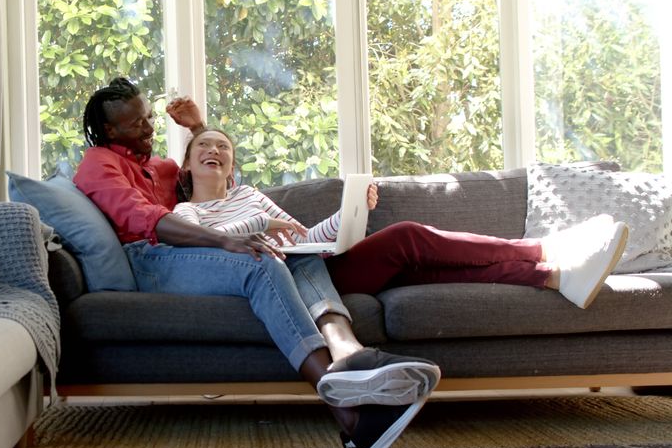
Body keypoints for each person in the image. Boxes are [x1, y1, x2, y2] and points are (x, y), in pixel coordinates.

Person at [73, 77, 442, 448]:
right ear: (109, 130)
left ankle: (350, 359)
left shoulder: (160, 167)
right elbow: (147, 219)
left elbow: (209, 167)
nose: (149, 127)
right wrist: (228, 241)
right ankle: (350, 413)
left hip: (184, 252)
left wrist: (198, 128)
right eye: (136, 124)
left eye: (149, 117)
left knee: (298, 255)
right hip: (149, 259)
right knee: (260, 259)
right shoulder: (98, 163)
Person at [172, 127, 629, 313]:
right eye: (203, 147)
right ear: (187, 166)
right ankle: (541, 247)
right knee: (408, 237)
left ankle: (552, 275)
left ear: (231, 165)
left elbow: (307, 238)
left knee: (422, 271)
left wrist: (351, 213)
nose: (214, 150)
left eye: (223, 147)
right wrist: (261, 227)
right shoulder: (185, 212)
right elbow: (207, 241)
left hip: (312, 264)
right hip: (291, 284)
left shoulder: (251, 196)